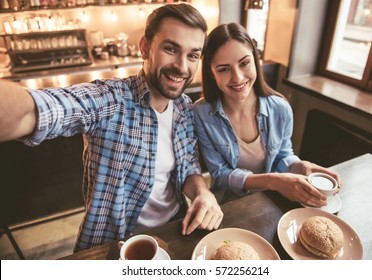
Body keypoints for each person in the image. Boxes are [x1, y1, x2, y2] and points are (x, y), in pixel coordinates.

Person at [0, 3, 223, 252]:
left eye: (193, 55)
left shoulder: (183, 107)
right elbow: (36, 111)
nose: (182, 67)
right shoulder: (110, 99)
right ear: (145, 47)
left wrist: (203, 192)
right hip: (113, 245)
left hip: (175, 230)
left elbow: (188, 165)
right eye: (171, 49)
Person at [194, 23, 341, 207]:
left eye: (244, 63)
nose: (238, 78)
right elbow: (220, 174)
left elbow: (282, 155)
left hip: (273, 200)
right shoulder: (201, 113)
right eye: (224, 69)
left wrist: (299, 166)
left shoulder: (281, 108)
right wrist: (274, 181)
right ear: (211, 72)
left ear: (256, 60)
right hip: (226, 205)